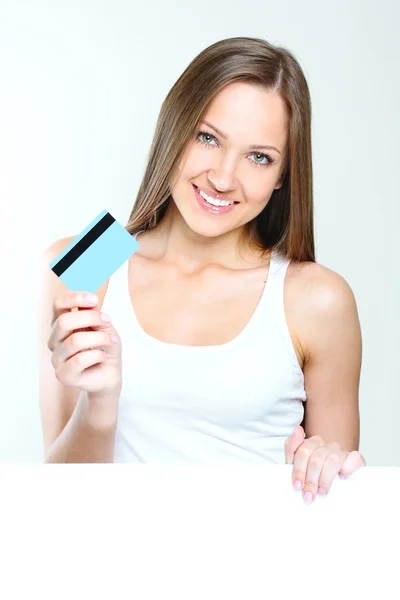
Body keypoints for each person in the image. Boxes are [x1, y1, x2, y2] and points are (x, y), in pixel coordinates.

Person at [38, 36, 365, 503]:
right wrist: (100, 406)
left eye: (259, 157)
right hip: (108, 568)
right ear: (174, 127)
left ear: (282, 178)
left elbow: (339, 499)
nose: (223, 178)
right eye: (207, 137)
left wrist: (333, 467)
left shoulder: (316, 296)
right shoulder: (88, 256)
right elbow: (59, 499)